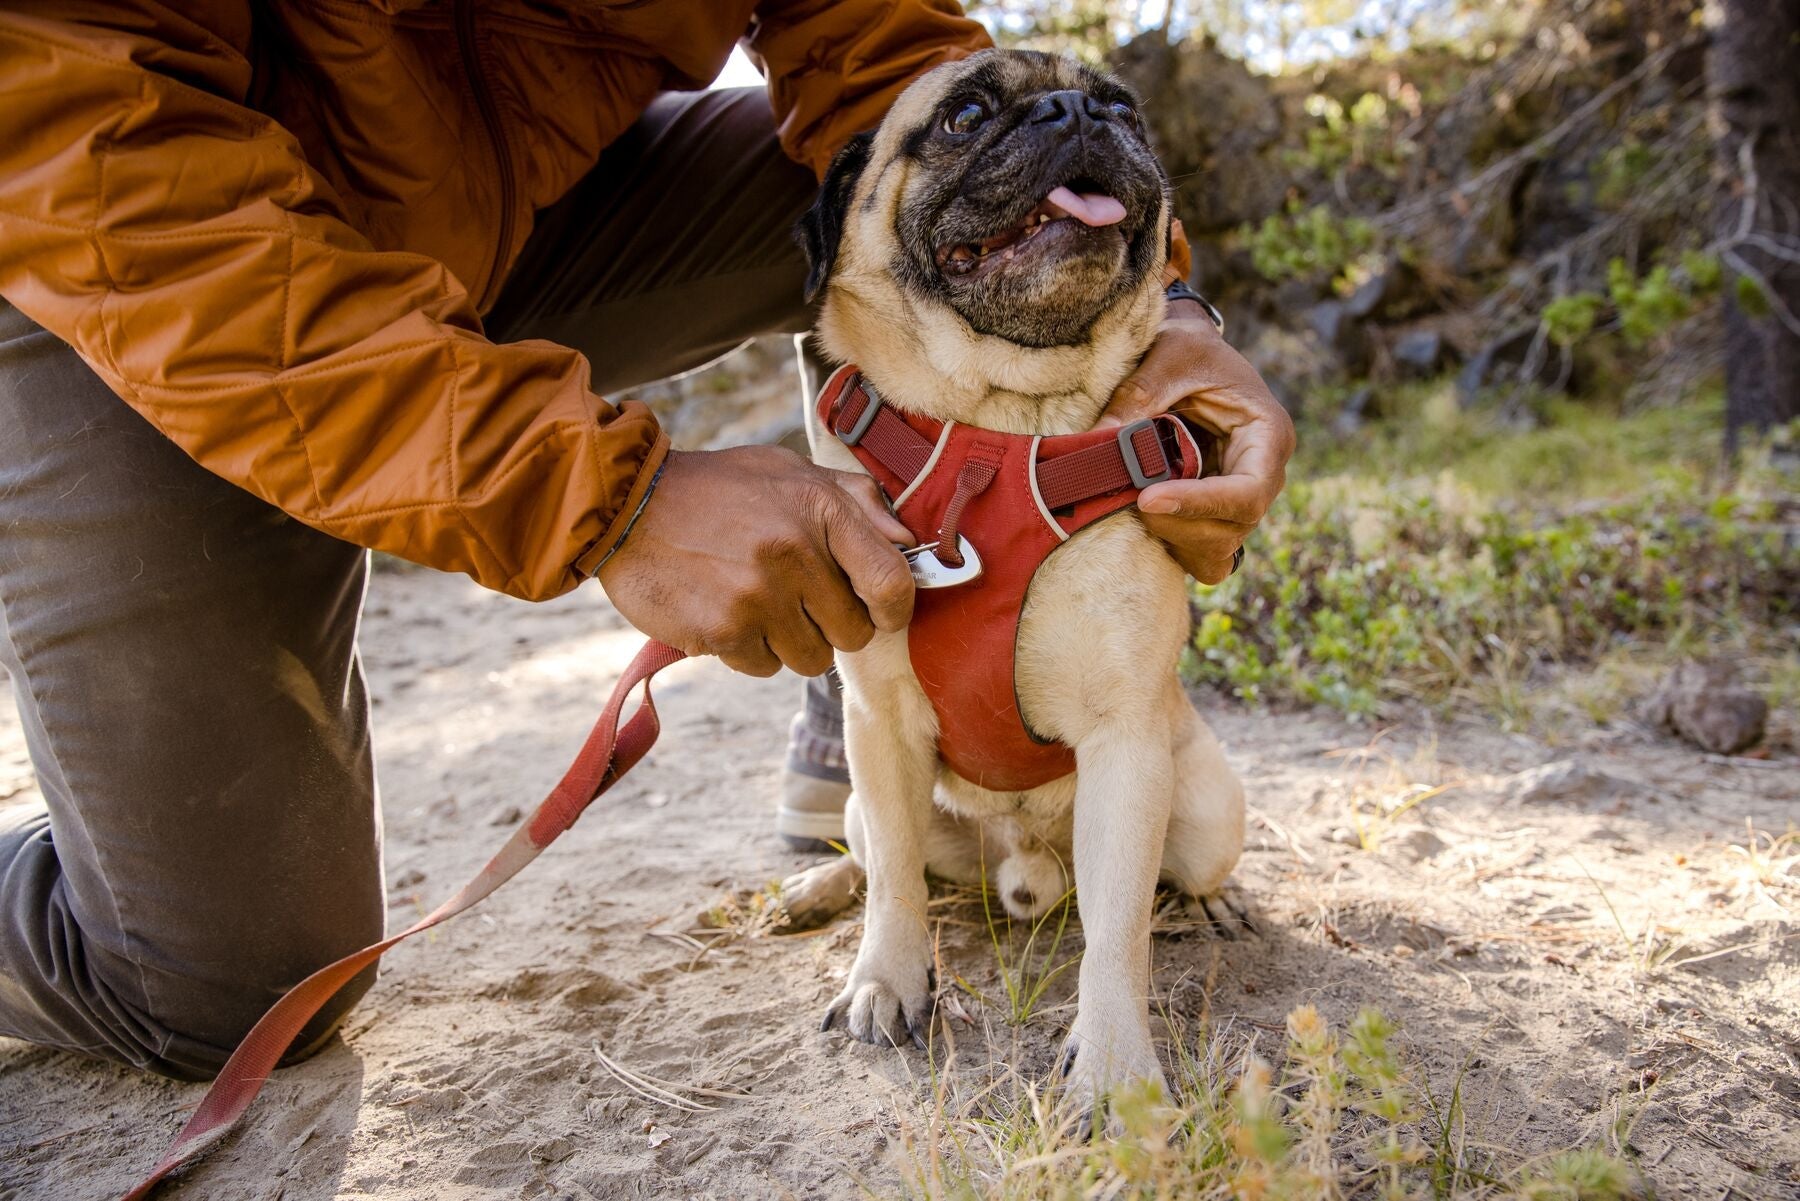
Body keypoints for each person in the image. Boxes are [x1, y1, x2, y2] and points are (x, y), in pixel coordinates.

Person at [0, 1, 1295, 1081]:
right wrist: (601, 494)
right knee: (229, 984)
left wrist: (1158, 304)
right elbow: (96, 152)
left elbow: (885, 53)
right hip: (143, 265)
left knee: (885, 197)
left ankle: (888, 626)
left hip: (525, 204)